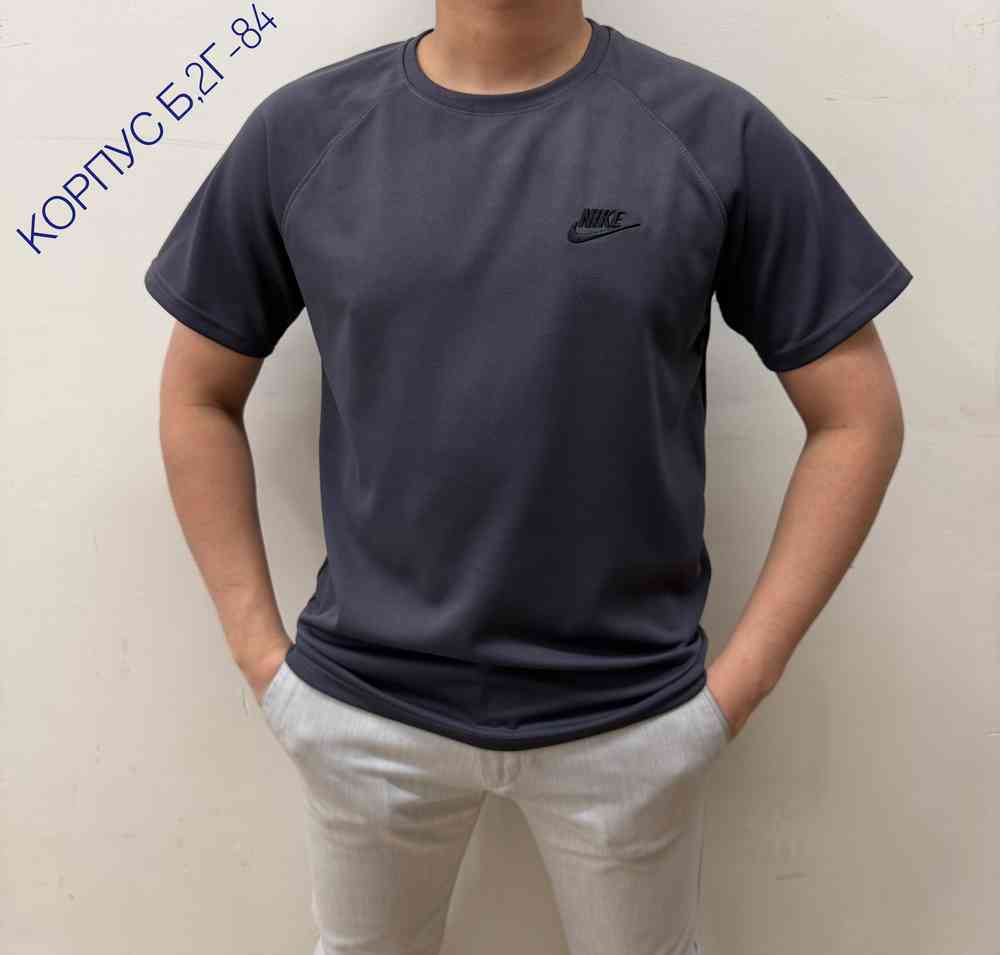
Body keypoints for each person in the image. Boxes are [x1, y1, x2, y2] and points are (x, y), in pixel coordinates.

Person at [144, 2, 913, 952]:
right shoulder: (303, 134)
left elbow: (857, 415)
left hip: (629, 719)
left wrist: (735, 690)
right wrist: (262, 661)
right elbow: (198, 396)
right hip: (364, 711)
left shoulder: (710, 131)